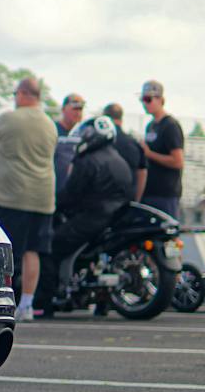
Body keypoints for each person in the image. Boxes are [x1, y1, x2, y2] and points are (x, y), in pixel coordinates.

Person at [0, 76, 58, 322]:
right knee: (32, 252)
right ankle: (27, 304)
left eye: (16, 93)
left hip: (11, 195)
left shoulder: (9, 119)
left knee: (7, 251)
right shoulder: (50, 124)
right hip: (42, 196)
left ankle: (0, 301)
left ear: (24, 94)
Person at [50, 116, 135, 293]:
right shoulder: (120, 160)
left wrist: (56, 205)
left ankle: (49, 297)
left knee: (52, 244)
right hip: (114, 218)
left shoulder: (87, 160)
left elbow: (71, 194)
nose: (84, 136)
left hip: (93, 217)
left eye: (87, 133)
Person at [137, 80, 185, 219]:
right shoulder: (150, 126)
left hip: (165, 194)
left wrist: (149, 154)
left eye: (148, 99)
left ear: (160, 100)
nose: (145, 104)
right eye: (143, 100)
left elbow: (178, 161)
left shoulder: (170, 125)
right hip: (150, 192)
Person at [103, 102, 146, 200]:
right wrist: (137, 199)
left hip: (104, 201)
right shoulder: (134, 143)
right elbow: (142, 171)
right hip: (127, 200)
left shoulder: (102, 143)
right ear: (121, 119)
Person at [53, 93, 85, 192]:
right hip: (53, 190)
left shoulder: (82, 134)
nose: (78, 113)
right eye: (74, 109)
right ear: (63, 109)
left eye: (80, 109)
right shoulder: (52, 129)